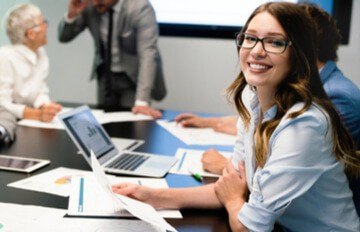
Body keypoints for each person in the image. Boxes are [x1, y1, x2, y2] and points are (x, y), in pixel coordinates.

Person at [112, 2, 360, 231]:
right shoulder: (252, 102)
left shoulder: (305, 124)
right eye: (250, 38)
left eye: (274, 42)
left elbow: (248, 225)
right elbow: (231, 186)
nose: (256, 51)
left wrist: (233, 200)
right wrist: (151, 196)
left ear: (299, 55)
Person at [178, 3, 360, 175]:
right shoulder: (300, 87)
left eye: (276, 41)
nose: (259, 50)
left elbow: (291, 155)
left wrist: (225, 166)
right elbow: (262, 122)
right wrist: (210, 122)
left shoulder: (336, 97)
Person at [58, 0, 166, 119]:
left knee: (131, 123)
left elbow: (148, 55)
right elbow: (64, 37)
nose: (94, 3)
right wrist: (71, 15)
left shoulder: (140, 7)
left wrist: (141, 102)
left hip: (133, 78)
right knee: (104, 121)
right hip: (105, 76)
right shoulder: (90, 6)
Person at [0, 3, 62, 122]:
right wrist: (37, 115)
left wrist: (45, 106)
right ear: (31, 34)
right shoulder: (4, 57)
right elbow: (2, 104)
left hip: (27, 122)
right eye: (43, 22)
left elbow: (40, 91)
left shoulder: (40, 53)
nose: (46, 26)